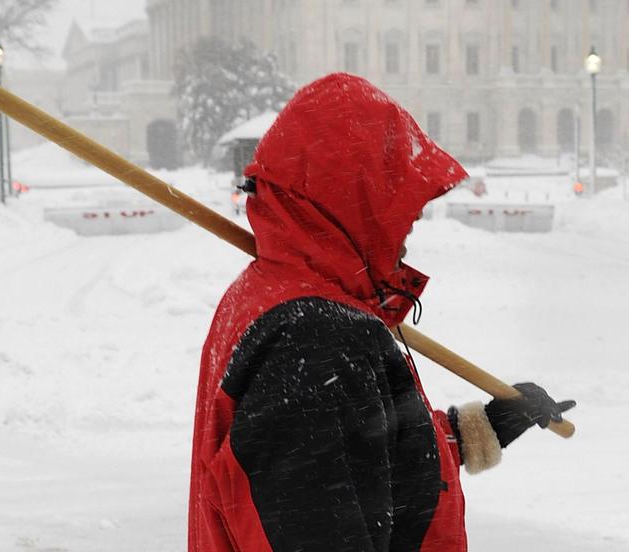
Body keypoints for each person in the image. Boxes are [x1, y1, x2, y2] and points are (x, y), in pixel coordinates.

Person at [189, 73, 574, 552]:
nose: (409, 229)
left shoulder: (273, 296)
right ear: (354, 200)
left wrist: (486, 427)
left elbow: (373, 460)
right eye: (400, 208)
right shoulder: (315, 337)